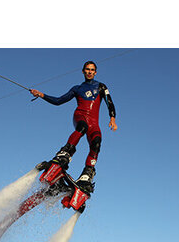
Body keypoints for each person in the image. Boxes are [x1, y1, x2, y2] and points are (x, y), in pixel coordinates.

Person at [30, 61, 117, 192]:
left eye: (92, 70)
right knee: (82, 127)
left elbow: (109, 102)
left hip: (94, 123)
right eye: (87, 69)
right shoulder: (77, 88)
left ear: (95, 72)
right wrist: (41, 95)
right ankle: (65, 153)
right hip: (80, 116)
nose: (89, 72)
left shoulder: (101, 86)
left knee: (97, 143)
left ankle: (87, 174)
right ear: (83, 71)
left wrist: (112, 118)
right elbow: (59, 101)